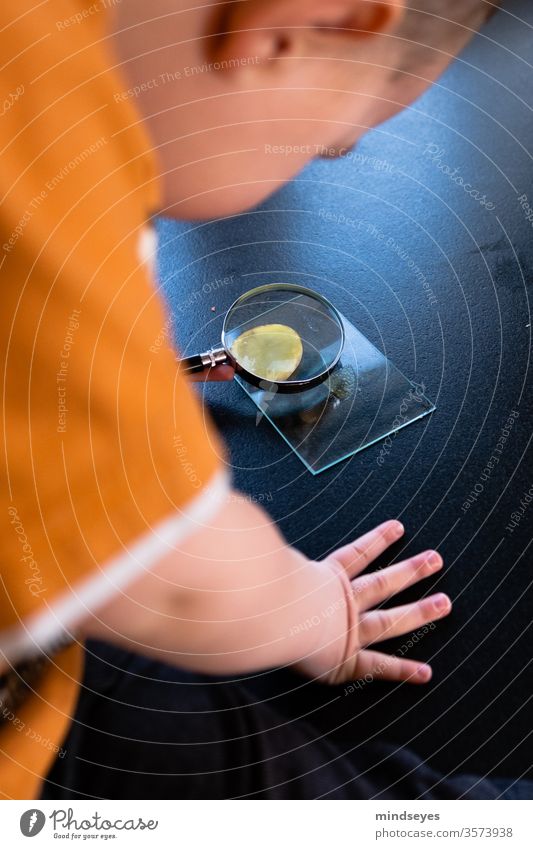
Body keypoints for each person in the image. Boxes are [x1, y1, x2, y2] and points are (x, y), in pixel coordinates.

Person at [1, 0, 528, 800]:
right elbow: (175, 575)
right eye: (329, 143)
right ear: (289, 28)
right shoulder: (44, 178)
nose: (318, 156)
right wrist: (314, 611)